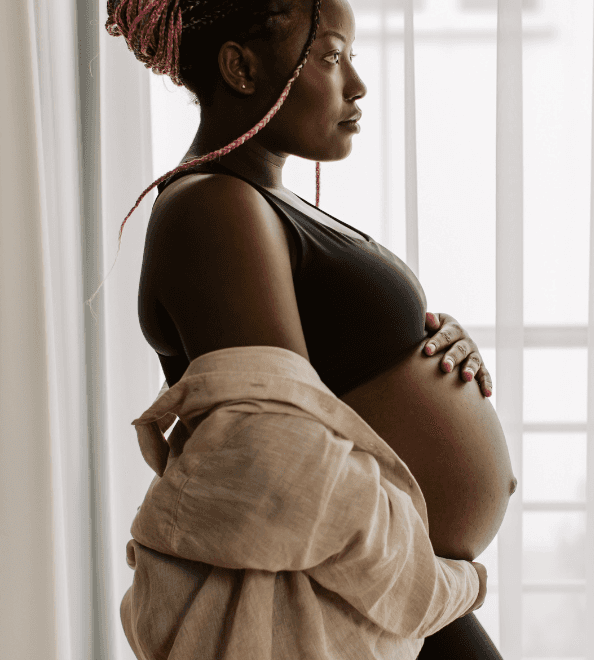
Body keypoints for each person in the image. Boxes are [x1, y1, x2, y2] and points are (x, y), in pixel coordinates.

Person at [106, 0, 516, 656]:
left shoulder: (259, 201)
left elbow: (335, 380)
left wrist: (438, 347)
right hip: (339, 604)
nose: (356, 83)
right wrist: (438, 585)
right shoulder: (212, 207)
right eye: (329, 56)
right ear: (241, 67)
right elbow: (281, 462)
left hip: (373, 600)